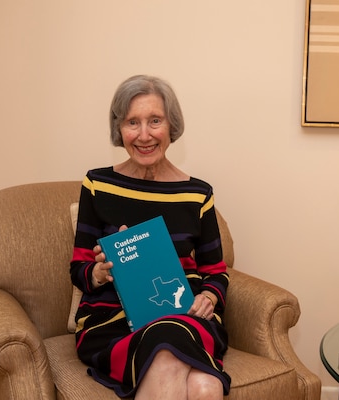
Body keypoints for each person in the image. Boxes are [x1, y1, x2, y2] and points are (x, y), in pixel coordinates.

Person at [70, 75, 230, 400]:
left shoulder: (197, 194)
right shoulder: (97, 185)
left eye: (154, 121)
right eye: (133, 122)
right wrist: (99, 272)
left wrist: (209, 298)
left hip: (183, 314)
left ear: (171, 125)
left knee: (204, 385)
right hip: (112, 319)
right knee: (204, 384)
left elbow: (216, 272)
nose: (144, 135)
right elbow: (79, 268)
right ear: (120, 129)